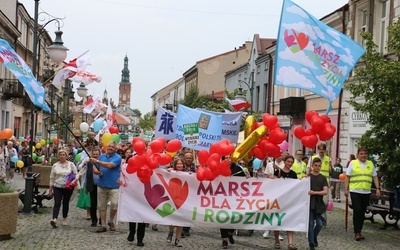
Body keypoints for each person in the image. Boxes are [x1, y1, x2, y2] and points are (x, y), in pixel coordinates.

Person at [344, 147, 381, 241]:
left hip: (366, 192)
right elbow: (347, 177)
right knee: (357, 211)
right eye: (361, 153)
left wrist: (377, 188)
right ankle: (357, 232)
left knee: (362, 212)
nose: (363, 155)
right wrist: (345, 189)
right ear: (357, 155)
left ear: (367, 155)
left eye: (365, 153)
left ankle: (359, 231)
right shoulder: (353, 163)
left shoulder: (370, 164)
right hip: (355, 191)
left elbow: (375, 177)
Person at [89, 141, 122, 233]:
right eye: (109, 146)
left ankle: (111, 220)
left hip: (114, 185)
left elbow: (110, 165)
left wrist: (97, 161)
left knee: (115, 205)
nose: (110, 148)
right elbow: (95, 167)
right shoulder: (102, 156)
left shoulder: (117, 157)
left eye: (112, 147)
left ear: (116, 149)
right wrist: (96, 172)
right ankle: (103, 225)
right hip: (102, 185)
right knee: (101, 206)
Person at [269, 155, 298, 250]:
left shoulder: (293, 174)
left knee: (289, 221)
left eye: (291, 162)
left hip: (289, 201)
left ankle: (290, 243)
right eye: (288, 161)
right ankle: (277, 241)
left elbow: (296, 186)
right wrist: (272, 178)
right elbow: (273, 184)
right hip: (278, 200)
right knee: (277, 221)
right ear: (284, 162)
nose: (290, 164)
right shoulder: (278, 172)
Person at [49, 150, 78, 228]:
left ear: (67, 156)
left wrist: (74, 181)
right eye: (60, 155)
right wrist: (50, 189)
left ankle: (64, 217)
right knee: (57, 203)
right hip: (57, 186)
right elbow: (52, 177)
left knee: (66, 202)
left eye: (64, 155)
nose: (62, 156)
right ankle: (54, 219)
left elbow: (76, 174)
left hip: (68, 187)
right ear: (58, 156)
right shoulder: (55, 165)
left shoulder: (71, 164)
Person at [220, 155, 243, 249]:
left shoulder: (238, 169)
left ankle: (230, 233)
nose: (228, 159)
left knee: (235, 217)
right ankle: (224, 240)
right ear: (222, 159)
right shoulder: (219, 168)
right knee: (222, 217)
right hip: (222, 197)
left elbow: (247, 181)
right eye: (226, 157)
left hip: (235, 198)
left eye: (230, 157)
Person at [123, 153, 146, 247]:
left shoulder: (146, 168)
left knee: (142, 219)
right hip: (132, 196)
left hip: (144, 197)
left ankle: (140, 239)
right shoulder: (127, 169)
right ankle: (132, 232)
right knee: (132, 216)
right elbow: (122, 177)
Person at [308, 158, 329, 250]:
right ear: (312, 166)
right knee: (310, 224)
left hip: (319, 204)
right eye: (315, 165)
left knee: (320, 223)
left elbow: (325, 191)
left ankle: (314, 236)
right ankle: (311, 244)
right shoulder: (308, 177)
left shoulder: (323, 178)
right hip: (309, 203)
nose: (317, 167)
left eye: (319, 165)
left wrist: (315, 192)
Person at [165, 158, 186, 247]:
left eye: (181, 164)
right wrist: (168, 171)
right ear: (175, 165)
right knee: (172, 218)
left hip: (184, 200)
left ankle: (178, 239)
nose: (179, 165)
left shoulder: (187, 173)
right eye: (177, 164)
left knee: (180, 221)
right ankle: (171, 232)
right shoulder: (171, 171)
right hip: (172, 198)